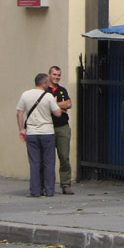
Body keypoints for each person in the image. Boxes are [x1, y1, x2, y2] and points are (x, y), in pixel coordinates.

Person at [16, 73, 63, 197]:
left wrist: (21, 129)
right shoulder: (48, 96)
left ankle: (35, 191)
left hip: (31, 133)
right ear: (43, 83)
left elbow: (19, 113)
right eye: (47, 82)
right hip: (47, 132)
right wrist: (59, 106)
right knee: (49, 162)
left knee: (34, 163)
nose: (49, 85)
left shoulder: (25, 95)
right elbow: (57, 113)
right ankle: (49, 191)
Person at [47, 65, 74, 194]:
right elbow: (43, 107)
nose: (57, 77)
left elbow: (69, 104)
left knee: (64, 156)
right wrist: (59, 107)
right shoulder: (44, 90)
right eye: (54, 74)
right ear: (49, 75)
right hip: (48, 127)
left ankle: (66, 184)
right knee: (48, 158)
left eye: (58, 75)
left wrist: (54, 105)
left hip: (62, 127)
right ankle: (47, 184)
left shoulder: (62, 90)